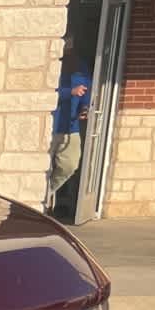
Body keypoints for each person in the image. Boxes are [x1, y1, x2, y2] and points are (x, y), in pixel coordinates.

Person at [48, 35, 91, 209]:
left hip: (70, 127)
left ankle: (48, 191)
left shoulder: (80, 66)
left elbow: (86, 90)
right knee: (40, 167)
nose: (68, 49)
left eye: (70, 44)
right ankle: (41, 200)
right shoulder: (52, 65)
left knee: (70, 165)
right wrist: (69, 92)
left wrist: (85, 107)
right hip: (50, 125)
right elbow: (46, 94)